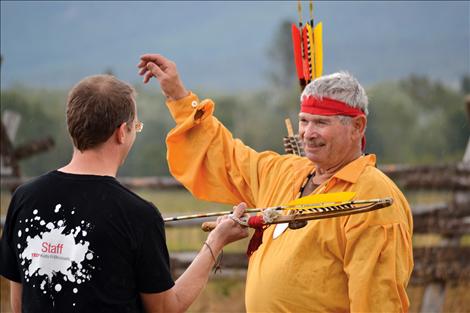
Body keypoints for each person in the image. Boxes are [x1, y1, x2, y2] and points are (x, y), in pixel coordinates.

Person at [137, 54, 414, 312]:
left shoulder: (373, 198)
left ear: (357, 127)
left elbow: (377, 301)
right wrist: (179, 97)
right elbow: (227, 158)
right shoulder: (287, 172)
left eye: (321, 122)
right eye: (304, 121)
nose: (308, 133)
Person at [0, 74, 248, 313]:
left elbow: (19, 304)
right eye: (135, 128)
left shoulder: (24, 198)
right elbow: (165, 309)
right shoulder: (138, 214)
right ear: (121, 132)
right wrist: (215, 243)